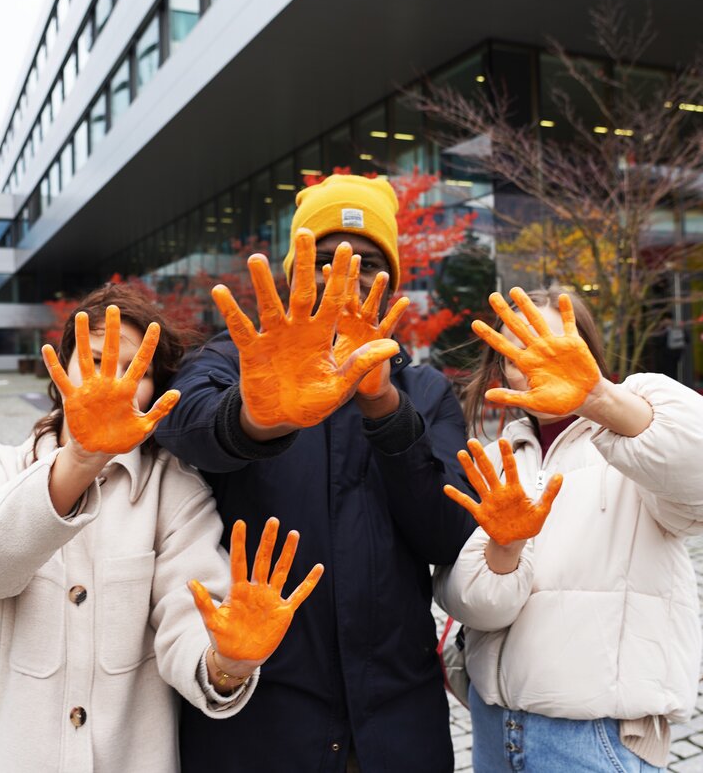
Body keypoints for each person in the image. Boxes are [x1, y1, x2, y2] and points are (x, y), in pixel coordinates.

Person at [0, 284, 323, 772]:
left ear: (155, 390)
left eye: (139, 371)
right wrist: (79, 460)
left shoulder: (172, 490)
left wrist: (228, 663)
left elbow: (187, 614)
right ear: (61, 368)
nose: (113, 380)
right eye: (93, 358)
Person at [156, 175, 476, 772]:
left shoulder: (424, 391)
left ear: (391, 284)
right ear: (294, 272)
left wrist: (384, 408)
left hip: (396, 726)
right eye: (325, 259)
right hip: (262, 726)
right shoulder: (236, 359)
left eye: (368, 262)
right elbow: (182, 424)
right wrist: (256, 417)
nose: (344, 275)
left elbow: (449, 531)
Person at [435, 286, 703, 772]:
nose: (531, 359)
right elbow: (476, 608)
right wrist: (507, 545)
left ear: (584, 348)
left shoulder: (637, 435)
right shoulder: (504, 456)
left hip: (593, 738)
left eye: (547, 340)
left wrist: (601, 399)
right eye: (514, 349)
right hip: (496, 728)